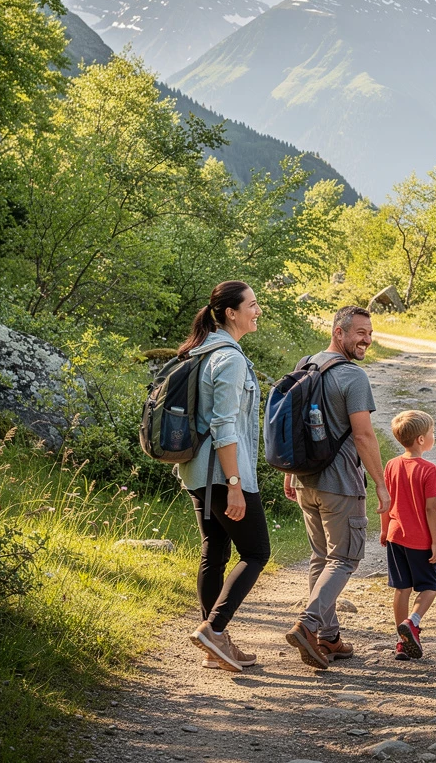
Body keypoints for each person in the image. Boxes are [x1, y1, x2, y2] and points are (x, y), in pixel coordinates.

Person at [283, 305, 391, 670]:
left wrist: (290, 471)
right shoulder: (353, 377)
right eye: (360, 332)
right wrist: (380, 483)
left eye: (370, 333)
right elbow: (363, 434)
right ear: (338, 332)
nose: (367, 340)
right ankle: (308, 625)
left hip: (307, 481)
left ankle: (328, 636)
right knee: (344, 558)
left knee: (320, 557)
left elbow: (292, 425)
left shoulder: (305, 364)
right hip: (341, 482)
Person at [177, 281, 270, 673]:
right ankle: (215, 630)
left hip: (197, 470)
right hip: (222, 472)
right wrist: (235, 485)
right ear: (231, 312)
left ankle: (215, 645)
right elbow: (224, 426)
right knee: (256, 552)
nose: (258, 311)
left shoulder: (202, 351)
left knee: (213, 554)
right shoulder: (228, 358)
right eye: (251, 305)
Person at [379, 410, 436, 660]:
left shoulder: (391, 465)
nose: (433, 436)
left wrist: (385, 529)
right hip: (420, 540)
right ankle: (413, 623)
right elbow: (431, 508)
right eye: (431, 433)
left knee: (402, 588)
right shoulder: (429, 470)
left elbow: (386, 501)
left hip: (396, 536)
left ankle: (401, 642)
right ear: (420, 439)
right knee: (429, 587)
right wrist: (435, 542)